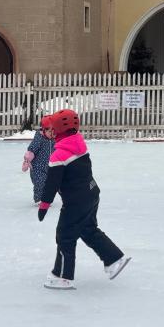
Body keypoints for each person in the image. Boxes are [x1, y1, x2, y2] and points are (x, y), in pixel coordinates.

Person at [38, 109, 130, 290]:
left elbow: (51, 184)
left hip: (76, 202)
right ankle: (114, 259)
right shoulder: (79, 144)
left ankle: (62, 276)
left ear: (57, 129)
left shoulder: (59, 155)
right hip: (92, 193)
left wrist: (44, 205)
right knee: (87, 230)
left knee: (65, 236)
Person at [23, 114, 56, 204]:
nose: (52, 134)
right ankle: (39, 199)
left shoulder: (54, 139)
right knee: (40, 182)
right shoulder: (39, 138)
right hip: (37, 167)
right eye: (49, 131)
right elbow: (32, 149)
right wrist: (27, 159)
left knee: (49, 184)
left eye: (54, 131)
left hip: (49, 166)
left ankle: (46, 198)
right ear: (43, 130)